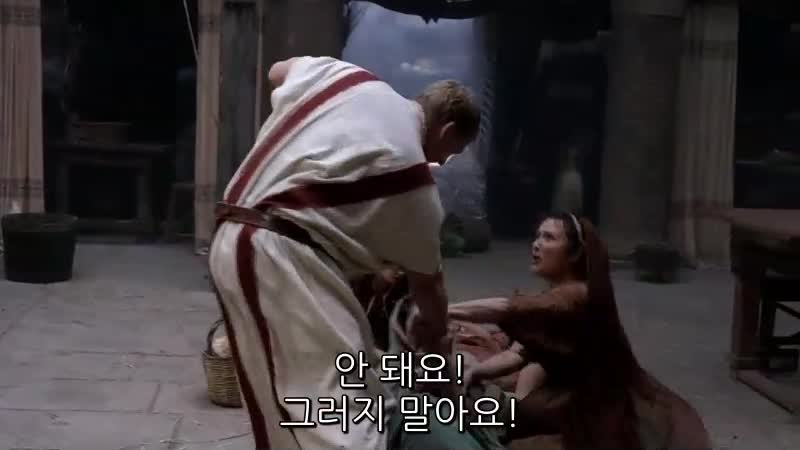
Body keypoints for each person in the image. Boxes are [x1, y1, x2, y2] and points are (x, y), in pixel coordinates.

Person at [208, 56, 480, 450]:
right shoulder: (413, 178)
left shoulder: (344, 77)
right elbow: (429, 287)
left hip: (236, 233)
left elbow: (277, 71)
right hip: (281, 255)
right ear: (447, 129)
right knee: (337, 415)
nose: (438, 162)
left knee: (290, 398)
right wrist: (437, 342)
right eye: (448, 152)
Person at [448, 212, 712, 449]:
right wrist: (476, 372)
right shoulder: (559, 294)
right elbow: (519, 353)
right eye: (538, 236)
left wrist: (444, 310)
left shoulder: (577, 296)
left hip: (591, 409)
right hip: (565, 398)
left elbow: (506, 308)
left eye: (549, 238)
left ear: (574, 254)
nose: (536, 244)